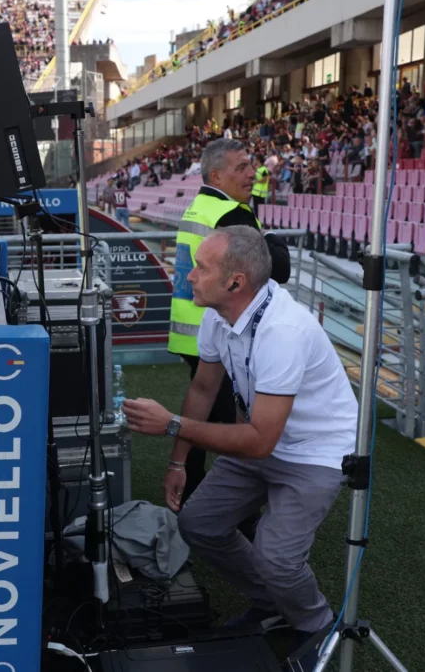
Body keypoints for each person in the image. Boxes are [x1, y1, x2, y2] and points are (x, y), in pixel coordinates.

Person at [122, 226, 357, 668]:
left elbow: (260, 441)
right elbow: (203, 388)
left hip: (316, 452)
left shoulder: (283, 331)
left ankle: (316, 624)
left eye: (201, 268)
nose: (189, 276)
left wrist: (170, 424)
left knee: (277, 557)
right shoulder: (218, 316)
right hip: (260, 440)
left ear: (235, 282)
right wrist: (178, 463)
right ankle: (272, 602)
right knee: (198, 523)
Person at [167, 138, 291, 508]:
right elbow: (279, 268)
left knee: (206, 416)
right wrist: (270, 236)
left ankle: (191, 494)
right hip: (219, 331)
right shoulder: (230, 213)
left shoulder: (200, 205)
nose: (253, 174)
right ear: (216, 176)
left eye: (251, 165)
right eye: (242, 167)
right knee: (227, 431)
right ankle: (215, 506)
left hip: (195, 331)